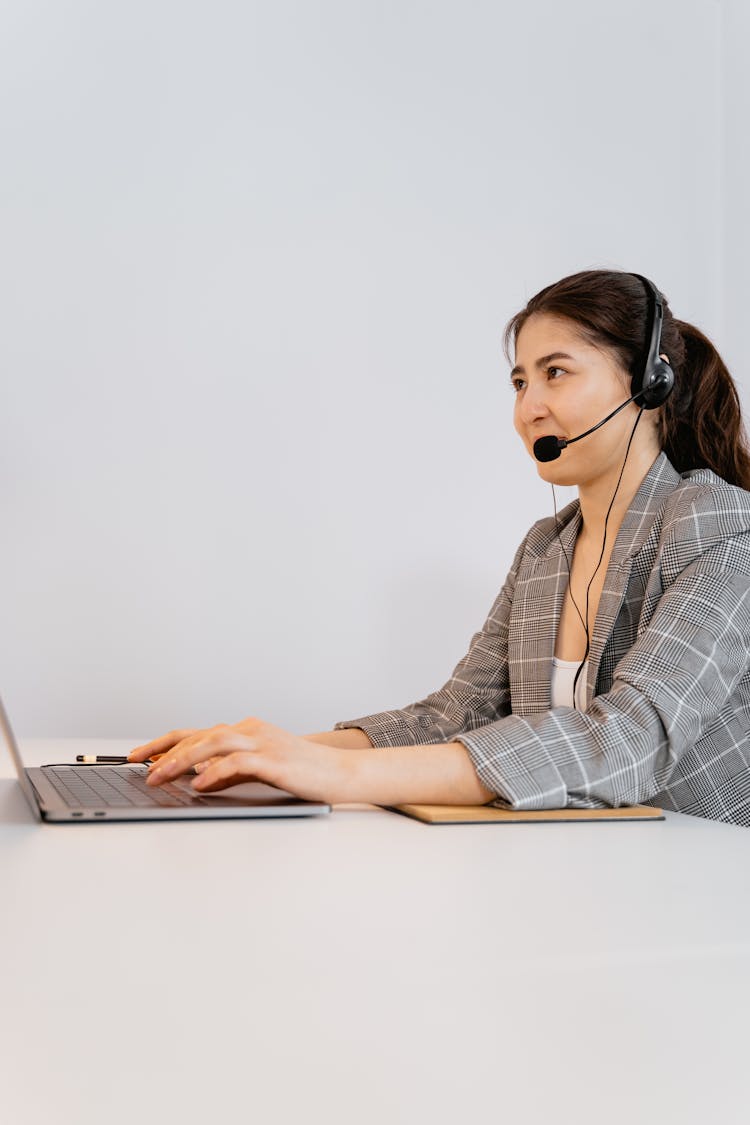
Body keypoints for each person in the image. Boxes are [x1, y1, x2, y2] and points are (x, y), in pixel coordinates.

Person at [129, 269, 750, 827]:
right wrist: (266, 752)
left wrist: (337, 777)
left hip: (705, 881)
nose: (527, 410)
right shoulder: (545, 551)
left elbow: (631, 742)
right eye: (518, 382)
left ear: (649, 384)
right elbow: (454, 716)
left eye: (554, 373)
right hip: (582, 869)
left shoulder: (718, 525)